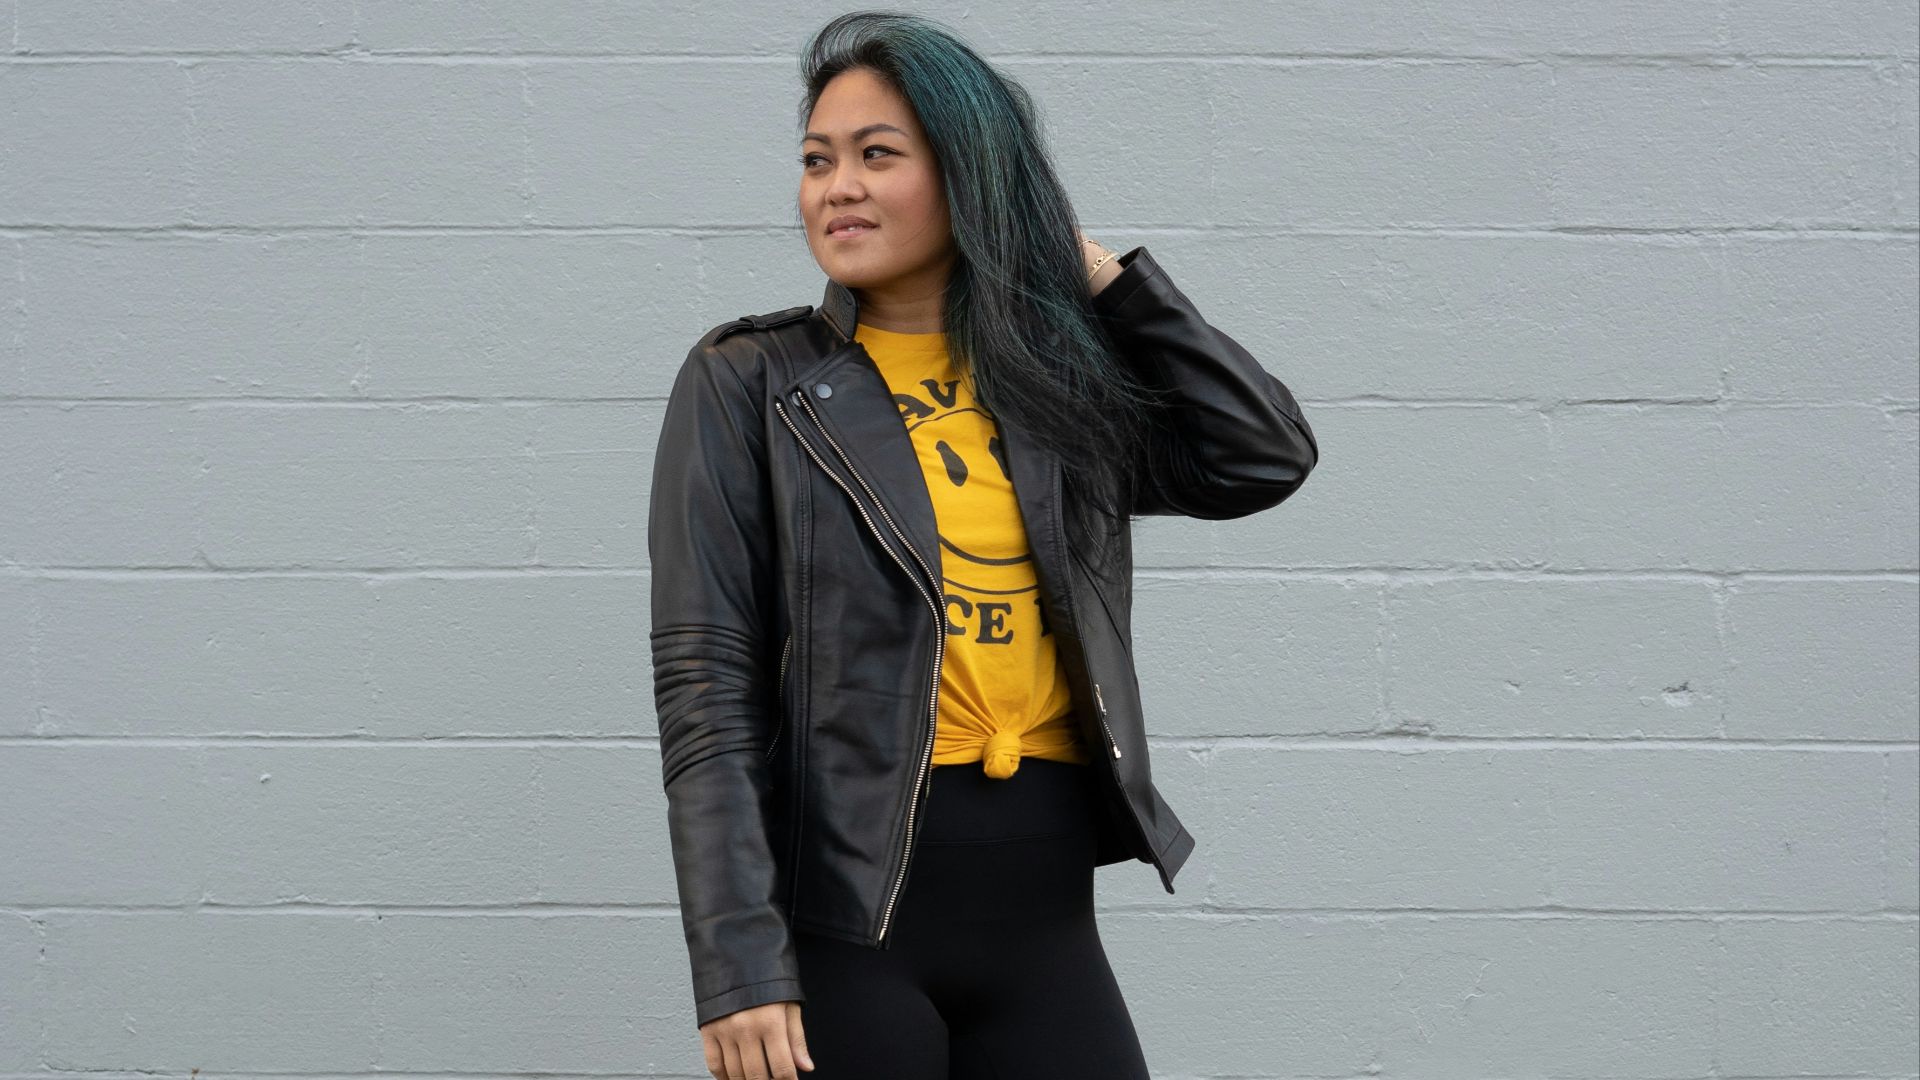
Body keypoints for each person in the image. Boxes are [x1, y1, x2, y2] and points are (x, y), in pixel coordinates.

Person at [649, 12, 1319, 1079]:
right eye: (818, 161)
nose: (838, 188)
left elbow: (1262, 454)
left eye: (878, 155)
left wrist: (1093, 270)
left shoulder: (1057, 392)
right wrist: (738, 963)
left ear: (968, 176)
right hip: (850, 938)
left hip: (1048, 925)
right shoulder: (753, 383)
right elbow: (707, 688)